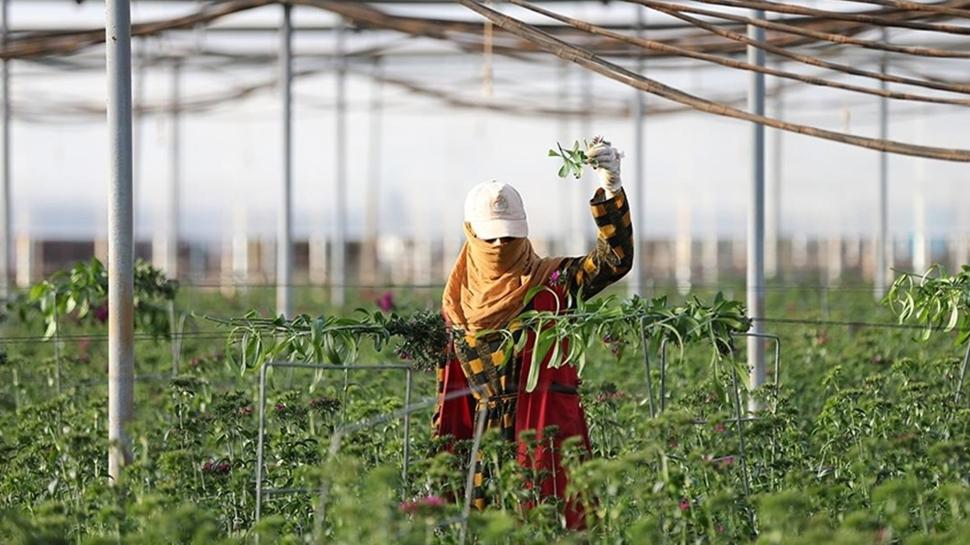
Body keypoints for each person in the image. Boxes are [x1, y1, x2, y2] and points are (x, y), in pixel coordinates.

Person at [434, 139, 633, 528]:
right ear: (470, 233)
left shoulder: (551, 283)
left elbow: (613, 261)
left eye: (508, 237)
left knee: (546, 524)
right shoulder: (456, 301)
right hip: (479, 441)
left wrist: (611, 190)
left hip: (540, 431)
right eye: (489, 237)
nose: (498, 245)